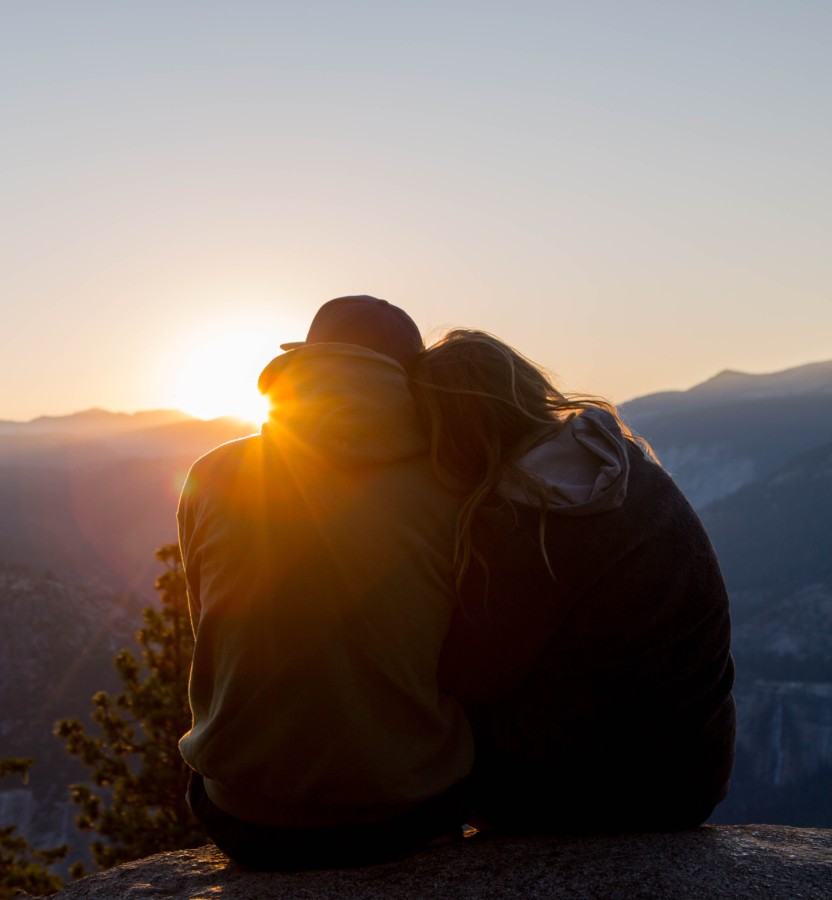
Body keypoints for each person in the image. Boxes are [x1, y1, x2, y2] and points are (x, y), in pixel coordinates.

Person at [176, 296, 473, 870]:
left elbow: (210, 632)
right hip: (408, 815)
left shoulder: (211, 475)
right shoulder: (455, 484)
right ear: (413, 380)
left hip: (246, 818)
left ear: (305, 366)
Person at [410, 329, 736, 833]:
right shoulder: (624, 463)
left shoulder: (524, 519)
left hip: (590, 792)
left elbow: (466, 677)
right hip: (695, 772)